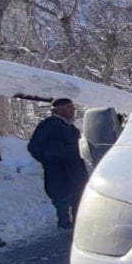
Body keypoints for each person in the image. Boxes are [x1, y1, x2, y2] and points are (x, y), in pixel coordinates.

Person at [28, 98, 89, 229]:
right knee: (62, 198)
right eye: (69, 107)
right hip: (59, 171)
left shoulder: (71, 127)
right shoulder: (48, 125)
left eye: (73, 107)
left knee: (78, 197)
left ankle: (78, 224)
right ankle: (64, 222)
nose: (73, 110)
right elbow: (34, 147)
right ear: (58, 109)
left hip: (75, 170)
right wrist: (51, 160)